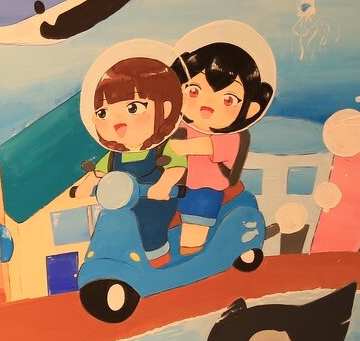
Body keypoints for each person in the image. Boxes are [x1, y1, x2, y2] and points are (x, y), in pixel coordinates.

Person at [70, 56, 187, 267]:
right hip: (121, 207)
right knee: (110, 225)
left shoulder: (163, 148)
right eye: (103, 112)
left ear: (166, 109)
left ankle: (157, 258)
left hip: (153, 203)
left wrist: (163, 185)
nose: (117, 122)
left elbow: (176, 168)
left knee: (149, 228)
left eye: (133, 108)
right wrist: (85, 186)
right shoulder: (114, 155)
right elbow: (98, 173)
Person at [166, 41, 274, 256]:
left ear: (250, 109)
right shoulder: (176, 125)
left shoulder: (230, 137)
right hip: (170, 185)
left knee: (198, 209)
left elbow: (202, 146)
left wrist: (172, 146)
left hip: (203, 189)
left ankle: (191, 252)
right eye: (194, 91)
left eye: (228, 99)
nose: (207, 103)